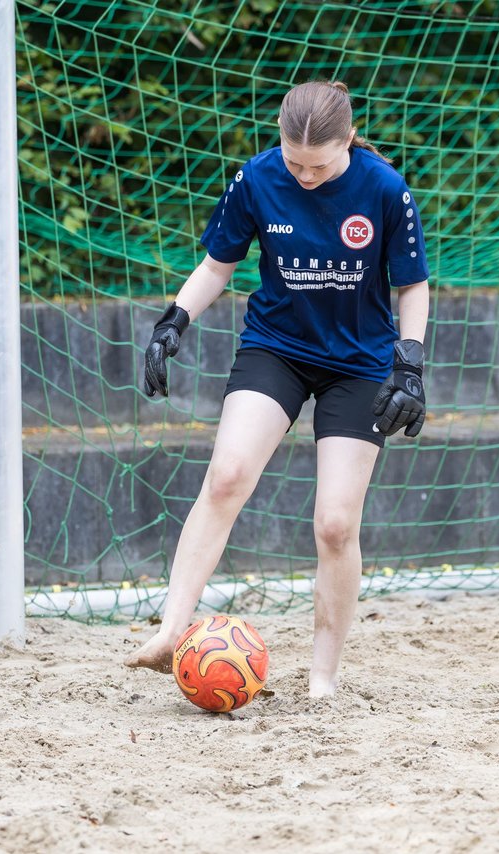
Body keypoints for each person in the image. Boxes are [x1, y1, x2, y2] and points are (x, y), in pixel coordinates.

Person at [124, 80, 430, 698]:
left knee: (336, 525)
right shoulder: (257, 179)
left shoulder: (384, 189)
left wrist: (411, 367)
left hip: (360, 364)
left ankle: (322, 678)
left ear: (348, 141)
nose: (305, 175)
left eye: (318, 165)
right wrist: (172, 323)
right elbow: (217, 265)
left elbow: (412, 286)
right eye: (295, 162)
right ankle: (170, 632)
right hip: (276, 349)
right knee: (227, 475)